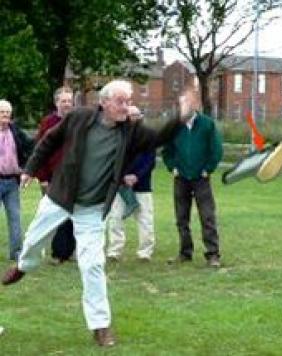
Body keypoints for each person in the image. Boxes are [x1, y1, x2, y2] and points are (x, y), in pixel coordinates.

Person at [2, 80, 182, 347]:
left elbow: (159, 137)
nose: (126, 106)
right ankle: (23, 266)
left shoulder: (131, 131)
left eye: (129, 100)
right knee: (31, 242)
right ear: (104, 103)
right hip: (60, 197)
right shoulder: (79, 118)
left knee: (93, 264)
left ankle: (100, 325)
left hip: (92, 208)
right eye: (120, 101)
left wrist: (183, 112)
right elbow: (49, 140)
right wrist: (30, 168)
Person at [162, 92, 223, 267]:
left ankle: (212, 254)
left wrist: (207, 169)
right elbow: (167, 150)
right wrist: (172, 166)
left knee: (207, 216)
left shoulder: (207, 124)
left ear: (195, 105)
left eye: (187, 104)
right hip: (181, 178)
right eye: (181, 104)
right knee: (181, 217)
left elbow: (216, 150)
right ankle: (185, 253)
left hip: (201, 178)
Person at [107, 106, 156, 262]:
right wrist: (123, 177)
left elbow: (150, 161)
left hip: (142, 185)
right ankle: (114, 251)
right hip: (120, 186)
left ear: (141, 117)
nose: (133, 118)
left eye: (136, 115)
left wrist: (136, 176)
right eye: (130, 115)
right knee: (115, 218)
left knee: (145, 219)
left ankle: (145, 252)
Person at [35, 87, 76, 264]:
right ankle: (58, 253)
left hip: (74, 177)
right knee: (56, 215)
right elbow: (39, 151)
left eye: (69, 101)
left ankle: (72, 251)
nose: (67, 104)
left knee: (74, 215)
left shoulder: (78, 121)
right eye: (63, 101)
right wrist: (42, 177)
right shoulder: (48, 123)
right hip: (53, 177)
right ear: (56, 102)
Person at [0, 99, 33, 261]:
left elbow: (31, 146)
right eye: (2, 112)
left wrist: (26, 167)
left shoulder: (15, 131)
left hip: (12, 182)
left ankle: (16, 252)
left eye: (8, 112)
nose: (5, 115)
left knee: (15, 218)